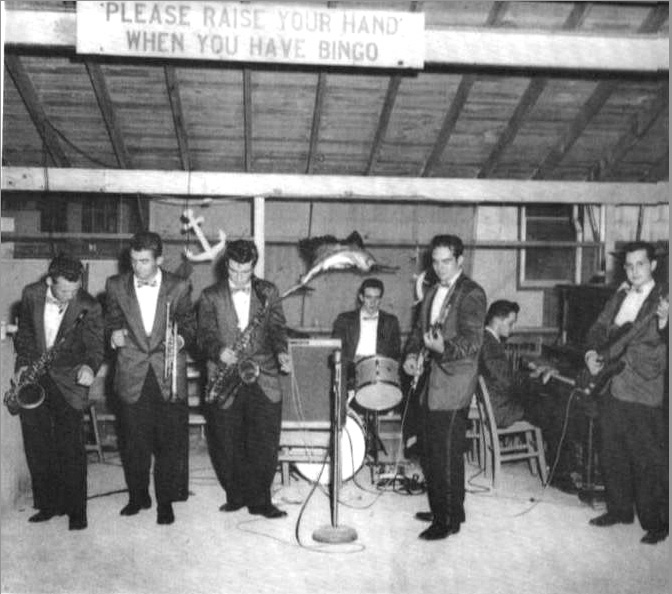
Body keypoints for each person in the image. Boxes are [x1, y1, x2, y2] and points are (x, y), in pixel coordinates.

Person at [105, 231, 196, 525]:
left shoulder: (179, 285)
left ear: (159, 259)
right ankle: (138, 496)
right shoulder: (115, 285)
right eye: (133, 260)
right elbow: (110, 321)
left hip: (166, 373)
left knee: (169, 443)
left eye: (144, 261)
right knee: (134, 442)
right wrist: (113, 334)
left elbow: (190, 326)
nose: (137, 267)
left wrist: (179, 340)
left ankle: (165, 503)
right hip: (131, 371)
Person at [198, 239, 291, 519]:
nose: (239, 277)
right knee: (227, 440)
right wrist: (218, 351)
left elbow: (277, 328)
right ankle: (235, 495)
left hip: (263, 373)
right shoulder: (210, 295)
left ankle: (261, 501)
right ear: (226, 265)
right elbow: (203, 335)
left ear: (253, 267)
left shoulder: (268, 291)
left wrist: (282, 352)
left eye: (246, 271)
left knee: (264, 440)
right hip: (226, 373)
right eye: (234, 270)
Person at [583, 241, 668, 545]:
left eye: (640, 264)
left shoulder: (664, 296)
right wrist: (590, 352)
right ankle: (619, 510)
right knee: (612, 451)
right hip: (612, 383)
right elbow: (598, 327)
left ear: (653, 265)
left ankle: (656, 522)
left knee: (646, 458)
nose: (634, 271)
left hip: (643, 386)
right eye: (629, 266)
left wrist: (665, 321)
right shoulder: (620, 294)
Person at [403, 234, 486, 540]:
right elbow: (418, 331)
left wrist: (443, 348)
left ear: (460, 260)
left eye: (446, 261)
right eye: (435, 262)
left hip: (454, 382)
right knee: (435, 449)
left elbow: (472, 341)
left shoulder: (472, 292)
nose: (439, 268)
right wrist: (411, 355)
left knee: (444, 452)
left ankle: (445, 520)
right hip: (432, 380)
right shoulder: (431, 291)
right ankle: (450, 509)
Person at [12, 254, 104, 531]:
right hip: (36, 377)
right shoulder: (31, 294)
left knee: (71, 447)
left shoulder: (89, 305)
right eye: (64, 291)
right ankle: (48, 505)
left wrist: (89, 367)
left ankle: (77, 512)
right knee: (38, 443)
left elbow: (95, 347)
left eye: (74, 291)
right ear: (50, 280)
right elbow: (25, 333)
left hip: (69, 380)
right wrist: (23, 362)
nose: (69, 297)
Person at [479, 299, 582, 494]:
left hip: (498, 402)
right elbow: (506, 381)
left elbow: (503, 376)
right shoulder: (490, 344)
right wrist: (536, 378)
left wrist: (531, 375)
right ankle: (560, 473)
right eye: (510, 323)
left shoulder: (486, 339)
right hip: (502, 409)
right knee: (556, 411)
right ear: (497, 320)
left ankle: (564, 464)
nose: (512, 328)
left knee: (549, 405)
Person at [331, 277, 401, 393]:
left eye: (377, 298)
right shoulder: (344, 319)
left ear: (381, 299)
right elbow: (336, 348)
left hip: (379, 372)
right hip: (351, 372)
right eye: (368, 297)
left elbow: (396, 353)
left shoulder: (391, 321)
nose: (372, 303)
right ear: (361, 297)